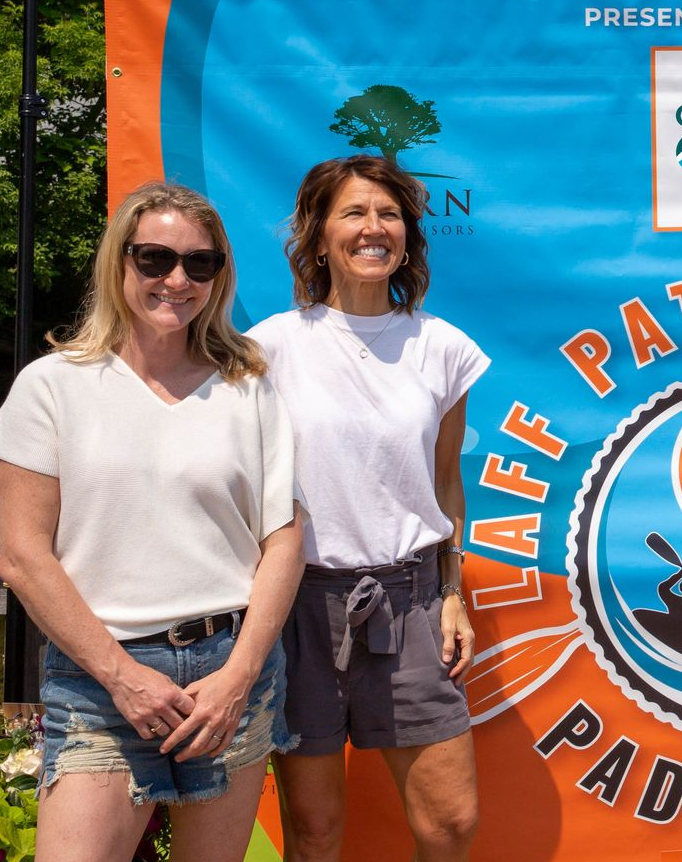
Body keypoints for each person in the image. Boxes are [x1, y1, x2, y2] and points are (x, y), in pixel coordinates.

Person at [0, 182, 304, 861]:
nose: (177, 280)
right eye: (155, 258)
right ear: (118, 261)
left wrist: (239, 676)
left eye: (200, 264)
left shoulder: (248, 386)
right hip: (100, 677)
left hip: (229, 674)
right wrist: (122, 676)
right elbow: (23, 557)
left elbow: (285, 539)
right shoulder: (52, 386)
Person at [249, 155, 489, 862]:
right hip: (298, 606)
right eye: (353, 212)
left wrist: (452, 590)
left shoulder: (443, 348)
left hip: (411, 602)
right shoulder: (268, 348)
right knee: (314, 832)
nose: (373, 228)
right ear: (319, 236)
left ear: (408, 238)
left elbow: (445, 483)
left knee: (451, 823)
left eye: (389, 215)